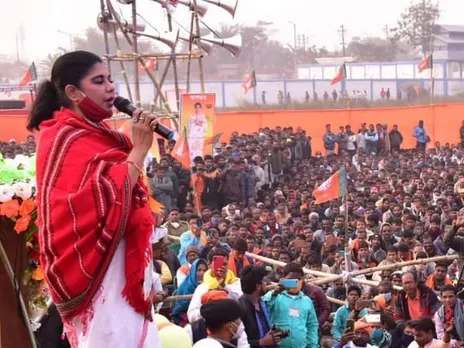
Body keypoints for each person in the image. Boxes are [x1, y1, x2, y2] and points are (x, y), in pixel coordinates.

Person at [29, 51, 161, 346]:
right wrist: (138, 151)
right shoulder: (63, 138)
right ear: (73, 93)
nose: (111, 88)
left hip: (123, 266)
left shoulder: (101, 133)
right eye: (99, 81)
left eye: (111, 80)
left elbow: (125, 194)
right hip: (97, 273)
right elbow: (100, 200)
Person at [262, 262, 319, 348]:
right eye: (291, 280)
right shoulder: (274, 296)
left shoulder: (307, 301)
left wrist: (313, 345)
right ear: (284, 279)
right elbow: (264, 308)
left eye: (298, 280)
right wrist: (275, 293)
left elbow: (312, 325)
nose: (295, 283)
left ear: (302, 279)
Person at [238, 265, 283, 347]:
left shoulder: (261, 302)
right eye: (263, 281)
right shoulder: (240, 309)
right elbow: (235, 342)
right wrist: (261, 342)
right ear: (258, 286)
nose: (266, 283)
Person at [172, 258, 208, 326]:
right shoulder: (185, 286)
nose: (202, 273)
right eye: (199, 270)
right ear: (193, 271)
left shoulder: (208, 285)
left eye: (204, 270)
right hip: (184, 318)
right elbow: (180, 308)